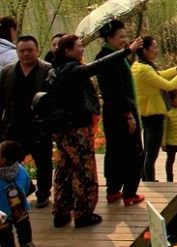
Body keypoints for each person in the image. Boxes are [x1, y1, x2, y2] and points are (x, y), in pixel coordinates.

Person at [50, 33, 141, 228]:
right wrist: (127, 51)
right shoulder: (72, 70)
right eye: (79, 46)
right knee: (85, 170)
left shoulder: (54, 70)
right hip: (77, 127)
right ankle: (83, 213)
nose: (82, 49)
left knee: (64, 170)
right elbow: (100, 65)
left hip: (61, 128)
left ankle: (61, 212)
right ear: (68, 51)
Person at [95, 21, 144, 207]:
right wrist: (129, 115)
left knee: (115, 150)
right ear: (109, 38)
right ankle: (129, 192)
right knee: (133, 151)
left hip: (111, 111)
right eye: (121, 37)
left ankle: (113, 190)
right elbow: (117, 89)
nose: (125, 40)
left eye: (126, 36)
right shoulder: (111, 58)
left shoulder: (106, 55)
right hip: (121, 110)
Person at [0, 36, 53, 208]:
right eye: (22, 51)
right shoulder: (7, 72)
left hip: (39, 126)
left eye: (29, 50)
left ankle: (43, 192)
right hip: (14, 125)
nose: (26, 54)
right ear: (17, 52)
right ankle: (24, 188)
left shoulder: (47, 70)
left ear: (37, 50)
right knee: (12, 162)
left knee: (43, 161)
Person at [131, 36, 177, 182]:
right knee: (152, 153)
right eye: (154, 47)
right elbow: (168, 85)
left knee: (148, 151)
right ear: (145, 50)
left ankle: (147, 178)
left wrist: (176, 69)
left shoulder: (141, 66)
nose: (157, 50)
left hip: (148, 112)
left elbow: (160, 76)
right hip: (153, 114)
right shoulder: (144, 69)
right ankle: (149, 181)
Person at [0, 140, 38, 247]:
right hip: (18, 205)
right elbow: (28, 184)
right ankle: (26, 244)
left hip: (2, 209)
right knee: (23, 225)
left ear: (3, 160)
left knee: (4, 232)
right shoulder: (20, 169)